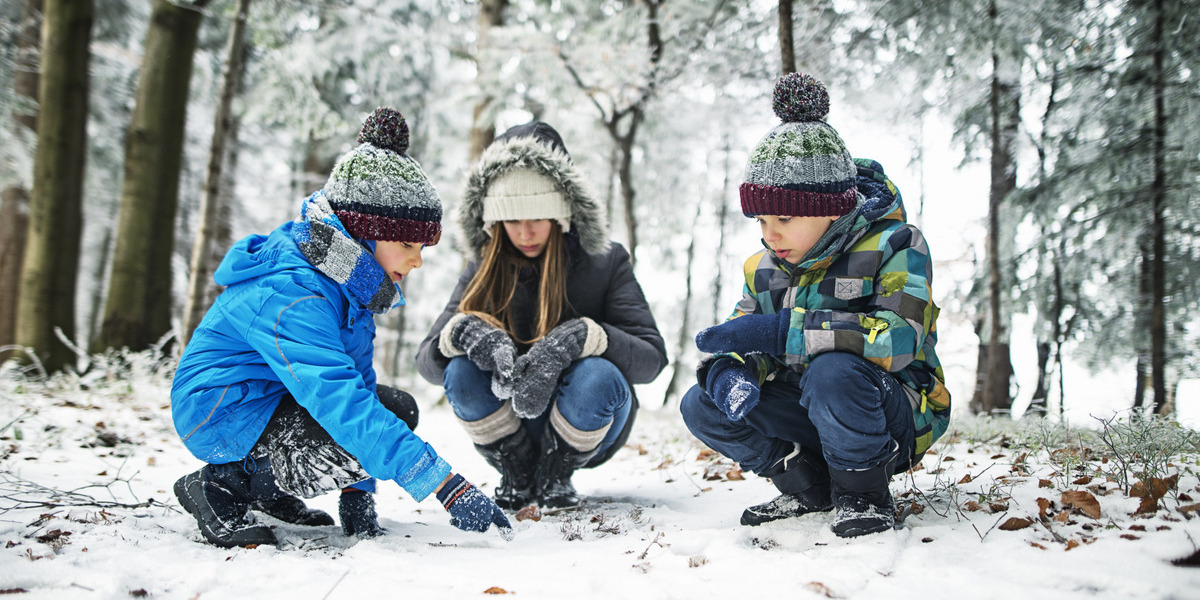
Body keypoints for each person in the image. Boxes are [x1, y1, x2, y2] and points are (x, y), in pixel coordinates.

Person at [171, 107, 512, 548]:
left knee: (396, 408)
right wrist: (446, 487)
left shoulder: (348, 284)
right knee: (353, 423)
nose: (417, 260)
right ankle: (220, 483)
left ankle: (263, 486)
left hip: (272, 398)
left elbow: (359, 388)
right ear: (362, 233)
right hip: (220, 410)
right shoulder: (295, 294)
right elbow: (338, 401)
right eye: (407, 244)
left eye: (422, 246)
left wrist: (358, 494)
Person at [680, 73, 951, 538]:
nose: (770, 233)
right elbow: (744, 333)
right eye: (762, 218)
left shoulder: (896, 244)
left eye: (784, 217)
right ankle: (807, 483)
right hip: (811, 408)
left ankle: (862, 491)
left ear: (831, 207)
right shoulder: (763, 267)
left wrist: (784, 331)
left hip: (892, 411)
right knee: (702, 404)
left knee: (834, 373)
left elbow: (900, 337)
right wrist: (730, 370)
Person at [417, 121, 667, 510]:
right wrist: (462, 334)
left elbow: (651, 361)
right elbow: (428, 365)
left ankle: (556, 472)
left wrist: (587, 337)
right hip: (508, 422)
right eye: (512, 219)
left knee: (597, 376)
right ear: (495, 221)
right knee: (459, 370)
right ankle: (516, 471)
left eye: (538, 216)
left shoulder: (605, 261)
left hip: (584, 418)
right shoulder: (483, 265)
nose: (526, 231)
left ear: (562, 212)